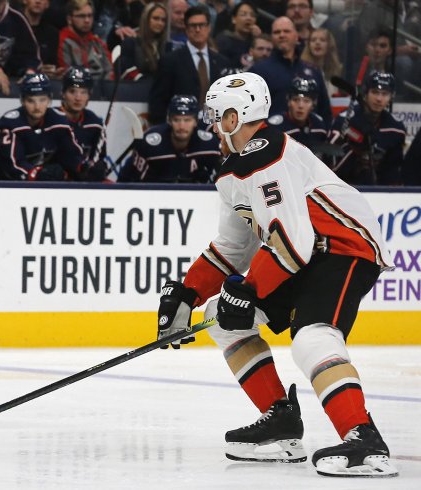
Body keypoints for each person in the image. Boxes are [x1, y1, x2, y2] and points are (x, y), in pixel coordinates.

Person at [157, 71, 397, 478]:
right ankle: (281, 423)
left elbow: (294, 240)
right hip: (307, 255)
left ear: (237, 116)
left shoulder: (268, 151)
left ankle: (364, 439)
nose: (213, 124)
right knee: (222, 318)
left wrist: (249, 289)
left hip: (344, 246)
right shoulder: (234, 169)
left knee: (312, 335)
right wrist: (187, 294)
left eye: (219, 116)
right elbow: (235, 246)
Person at [148, 5, 231, 124]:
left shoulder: (222, 62)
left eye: (202, 25)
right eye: (193, 26)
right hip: (179, 129)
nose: (197, 30)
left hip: (214, 130)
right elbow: (158, 101)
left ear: (209, 28)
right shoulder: (170, 61)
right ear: (186, 29)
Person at [0, 72, 86, 181]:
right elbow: (11, 163)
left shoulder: (60, 121)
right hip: (9, 186)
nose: (37, 107)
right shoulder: (10, 123)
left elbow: (71, 155)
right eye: (31, 101)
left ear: (50, 100)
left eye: (42, 100)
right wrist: (35, 173)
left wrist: (83, 167)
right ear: (22, 101)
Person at [119, 94, 220, 183]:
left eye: (187, 120)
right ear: (169, 121)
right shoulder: (149, 144)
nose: (182, 126)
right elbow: (125, 180)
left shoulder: (210, 145)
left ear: (195, 122)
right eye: (176, 120)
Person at [328, 71, 406, 185]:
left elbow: (392, 173)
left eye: (384, 94)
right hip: (343, 188)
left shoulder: (396, 129)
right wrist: (354, 148)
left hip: (378, 194)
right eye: (375, 92)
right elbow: (330, 166)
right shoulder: (344, 120)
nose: (379, 99)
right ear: (366, 93)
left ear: (391, 97)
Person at [249, 16, 331, 123]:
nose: (282, 35)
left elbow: (325, 111)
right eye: (277, 32)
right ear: (272, 37)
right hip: (275, 137)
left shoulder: (313, 71)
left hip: (309, 137)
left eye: (286, 31)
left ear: (296, 36)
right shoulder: (257, 71)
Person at [56, 66, 107, 180]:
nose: (78, 98)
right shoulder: (51, 120)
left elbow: (98, 157)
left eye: (83, 92)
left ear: (89, 96)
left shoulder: (95, 123)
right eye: (72, 91)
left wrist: (98, 167)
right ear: (63, 93)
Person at [267, 77, 328, 150]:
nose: (300, 106)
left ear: (313, 104)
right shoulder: (275, 128)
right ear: (288, 101)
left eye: (306, 101)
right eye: (295, 100)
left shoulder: (318, 125)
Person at [57, 0, 112, 80]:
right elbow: (67, 73)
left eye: (90, 16)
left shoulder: (98, 43)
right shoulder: (62, 41)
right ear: (69, 19)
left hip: (101, 88)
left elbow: (110, 72)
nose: (87, 20)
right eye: (81, 16)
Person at [117, 2, 171, 81]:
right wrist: (144, 81)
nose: (160, 23)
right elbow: (127, 71)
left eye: (163, 20)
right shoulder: (131, 43)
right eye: (156, 18)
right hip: (136, 88)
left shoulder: (166, 46)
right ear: (146, 19)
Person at [215, 1, 262, 70]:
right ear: (234, 19)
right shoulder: (223, 40)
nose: (249, 18)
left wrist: (259, 40)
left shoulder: (256, 40)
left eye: (252, 15)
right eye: (243, 14)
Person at [22, 0, 61, 80]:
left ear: (47, 4)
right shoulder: (13, 27)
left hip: (45, 81)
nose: (38, 1)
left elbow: (52, 62)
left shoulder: (52, 33)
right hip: (16, 78)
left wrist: (55, 72)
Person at [300, 28, 342, 96]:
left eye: (322, 40)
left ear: (329, 45)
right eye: (313, 40)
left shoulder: (334, 70)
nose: (317, 43)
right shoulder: (301, 69)